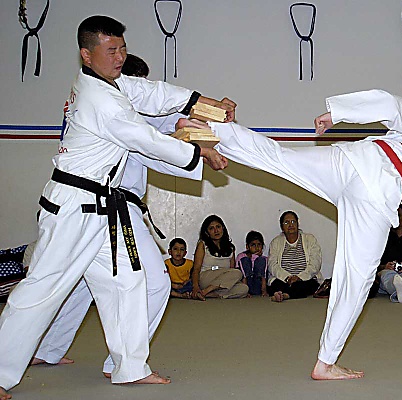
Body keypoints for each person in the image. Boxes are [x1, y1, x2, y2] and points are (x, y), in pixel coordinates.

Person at [0, 15, 232, 399]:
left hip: (101, 209)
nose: (120, 57)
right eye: (111, 51)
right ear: (86, 54)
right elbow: (144, 138)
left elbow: (152, 92)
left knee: (129, 282)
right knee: (42, 290)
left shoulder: (114, 84)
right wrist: (199, 152)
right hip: (74, 208)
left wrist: (200, 101)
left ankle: (129, 368)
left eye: (122, 48)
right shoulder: (100, 99)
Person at [206, 87, 402, 380]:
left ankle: (212, 129)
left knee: (281, 158)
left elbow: (388, 103)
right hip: (375, 196)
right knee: (355, 281)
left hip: (352, 161)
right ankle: (325, 363)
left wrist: (338, 113)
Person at [267, 211, 323, 302]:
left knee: (305, 285)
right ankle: (287, 293)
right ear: (282, 226)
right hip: (283, 280)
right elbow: (272, 264)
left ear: (298, 223)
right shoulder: (275, 242)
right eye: (286, 222)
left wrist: (300, 277)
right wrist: (287, 277)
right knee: (276, 284)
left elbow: (315, 263)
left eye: (293, 221)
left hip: (305, 279)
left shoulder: (310, 239)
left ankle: (285, 295)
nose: (290, 225)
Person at [191, 215, 248, 300]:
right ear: (206, 232)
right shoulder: (202, 244)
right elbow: (196, 269)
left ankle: (208, 294)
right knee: (238, 272)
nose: (216, 231)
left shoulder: (230, 248)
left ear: (223, 228)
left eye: (218, 227)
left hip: (222, 282)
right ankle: (206, 291)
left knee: (244, 288)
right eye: (211, 228)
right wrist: (195, 287)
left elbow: (231, 271)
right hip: (205, 278)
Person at [235, 231, 268, 297]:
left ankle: (263, 290)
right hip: (245, 284)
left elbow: (264, 275)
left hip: (258, 285)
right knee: (245, 260)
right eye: (253, 245)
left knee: (261, 260)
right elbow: (239, 271)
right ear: (247, 246)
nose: (256, 248)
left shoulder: (263, 259)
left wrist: (256, 257)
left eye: (259, 244)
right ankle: (245, 291)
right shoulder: (241, 256)